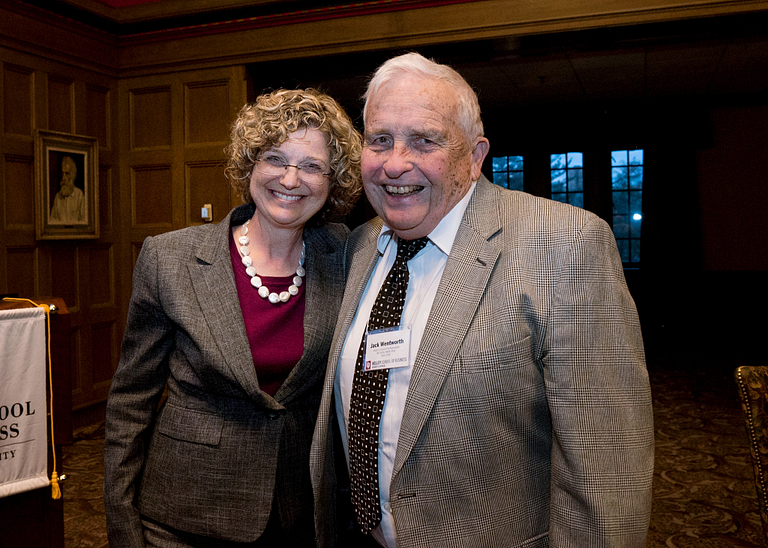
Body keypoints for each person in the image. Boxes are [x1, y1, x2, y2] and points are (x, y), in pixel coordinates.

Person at [310, 52, 654, 548]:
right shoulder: (358, 247)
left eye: (424, 140)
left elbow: (606, 470)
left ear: (474, 156)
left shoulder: (565, 244)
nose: (395, 163)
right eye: (379, 140)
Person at [104, 88, 362, 548]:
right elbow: (130, 403)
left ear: (333, 181)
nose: (290, 178)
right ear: (249, 166)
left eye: (311, 166)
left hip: (300, 515)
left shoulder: (346, 256)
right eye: (274, 158)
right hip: (184, 518)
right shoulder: (170, 258)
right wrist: (124, 527)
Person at [50, 155, 86, 223]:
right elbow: (52, 221)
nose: (63, 178)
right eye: (62, 173)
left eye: (67, 173)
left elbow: (83, 221)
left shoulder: (79, 195)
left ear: (73, 175)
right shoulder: (58, 196)